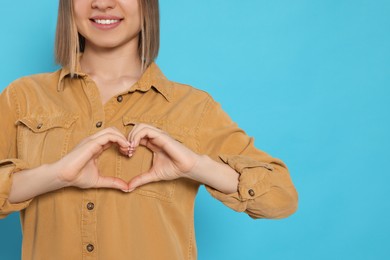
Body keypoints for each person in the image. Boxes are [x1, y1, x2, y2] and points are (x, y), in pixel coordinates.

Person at [0, 0, 298, 259]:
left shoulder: (193, 108)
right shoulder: (22, 97)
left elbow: (281, 198)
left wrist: (196, 166)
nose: (102, 3)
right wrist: (56, 175)